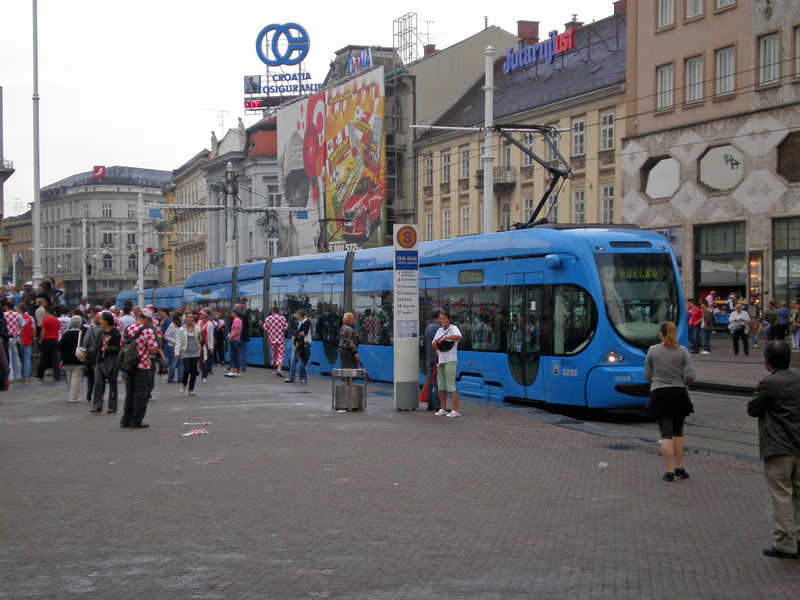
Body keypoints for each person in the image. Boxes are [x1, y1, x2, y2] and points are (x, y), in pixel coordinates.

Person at [746, 340, 800, 559]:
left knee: (780, 495)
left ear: (767, 361)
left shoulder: (770, 383)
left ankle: (786, 544)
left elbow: (753, 408)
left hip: (778, 447)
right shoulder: (798, 377)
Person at [644, 322, 696, 482]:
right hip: (679, 393)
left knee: (665, 434)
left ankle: (669, 471)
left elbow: (647, 375)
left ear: (661, 334)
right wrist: (683, 382)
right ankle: (680, 467)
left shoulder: (653, 350)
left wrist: (657, 381)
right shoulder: (683, 351)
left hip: (659, 393)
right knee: (678, 432)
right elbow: (690, 375)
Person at [120, 309, 159, 429]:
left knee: (129, 393)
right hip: (143, 365)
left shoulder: (128, 329)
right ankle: (136, 420)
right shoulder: (148, 331)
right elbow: (153, 350)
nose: (149, 322)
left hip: (129, 365)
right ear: (146, 318)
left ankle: (125, 419)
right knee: (141, 394)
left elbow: (123, 343)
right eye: (149, 319)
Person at [432, 310, 462, 417]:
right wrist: (436, 345)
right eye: (440, 318)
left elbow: (459, 337)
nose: (442, 320)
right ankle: (443, 408)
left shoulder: (453, 328)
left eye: (444, 318)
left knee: (451, 386)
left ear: (448, 319)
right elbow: (433, 343)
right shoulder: (439, 330)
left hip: (450, 360)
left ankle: (456, 410)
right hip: (441, 361)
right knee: (441, 386)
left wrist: (445, 338)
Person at [90, 313, 121, 414]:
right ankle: (97, 405)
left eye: (102, 319)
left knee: (112, 384)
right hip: (100, 361)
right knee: (98, 383)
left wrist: (108, 349)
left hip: (111, 360)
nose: (100, 321)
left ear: (107, 321)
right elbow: (96, 348)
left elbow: (118, 348)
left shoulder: (116, 333)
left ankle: (112, 406)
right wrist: (94, 361)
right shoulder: (100, 333)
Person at [175, 310, 202, 396]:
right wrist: (177, 352)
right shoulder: (181, 329)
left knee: (193, 371)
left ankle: (191, 389)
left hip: (195, 351)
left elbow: (200, 340)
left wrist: (199, 336)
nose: (190, 319)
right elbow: (178, 341)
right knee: (187, 369)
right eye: (188, 317)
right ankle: (184, 384)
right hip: (185, 351)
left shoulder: (197, 328)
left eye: (191, 317)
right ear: (185, 318)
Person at [59, 316, 84, 403]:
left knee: (69, 378)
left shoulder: (65, 334)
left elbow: (60, 346)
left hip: (66, 359)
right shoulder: (82, 334)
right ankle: (73, 397)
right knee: (76, 378)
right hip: (78, 359)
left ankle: (71, 394)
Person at [424, 308, 442, 412]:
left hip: (429, 357)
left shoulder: (428, 327)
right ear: (439, 316)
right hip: (437, 358)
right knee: (438, 381)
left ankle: (430, 404)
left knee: (431, 380)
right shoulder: (438, 328)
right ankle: (437, 404)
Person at [285, 310, 311, 384]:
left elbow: (305, 333)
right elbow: (293, 331)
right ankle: (291, 377)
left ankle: (303, 378)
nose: (297, 316)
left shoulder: (306, 322)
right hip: (297, 342)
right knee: (293, 360)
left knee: (302, 361)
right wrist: (298, 332)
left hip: (304, 343)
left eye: (297, 315)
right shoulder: (297, 322)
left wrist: (297, 332)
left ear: (300, 315)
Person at [81, 313, 102, 402]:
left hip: (90, 353)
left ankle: (89, 393)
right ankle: (99, 395)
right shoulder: (104, 330)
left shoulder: (91, 329)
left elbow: (85, 340)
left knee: (90, 375)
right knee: (100, 376)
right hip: (100, 353)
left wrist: (84, 351)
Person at [36, 305, 60, 381]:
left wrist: (41, 340)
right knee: (55, 359)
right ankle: (57, 375)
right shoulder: (57, 320)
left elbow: (43, 331)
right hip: (55, 340)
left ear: (47, 312)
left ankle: (40, 374)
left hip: (46, 340)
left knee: (44, 358)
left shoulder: (45, 320)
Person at [263, 306, 287, 377]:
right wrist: (280, 329)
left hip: (272, 340)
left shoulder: (268, 318)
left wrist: (271, 330)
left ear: (272, 311)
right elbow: (286, 328)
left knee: (274, 355)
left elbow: (265, 329)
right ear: (278, 311)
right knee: (280, 354)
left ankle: (276, 370)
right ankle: (279, 369)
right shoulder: (282, 318)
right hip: (280, 340)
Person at [4, 300, 23, 382]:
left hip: (6, 337)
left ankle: (10, 376)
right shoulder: (18, 315)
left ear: (6, 306)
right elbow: (22, 326)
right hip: (15, 337)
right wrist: (20, 337)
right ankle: (18, 375)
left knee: (8, 357)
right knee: (16, 356)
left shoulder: (4, 315)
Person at [16, 303, 34, 380]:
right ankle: (27, 374)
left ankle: (20, 374)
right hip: (28, 340)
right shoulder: (30, 318)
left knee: (19, 358)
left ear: (20, 309)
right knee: (27, 358)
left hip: (19, 340)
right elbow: (34, 329)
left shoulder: (17, 317)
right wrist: (30, 336)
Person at [198, 309, 215, 381]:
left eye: (201, 314)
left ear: (205, 315)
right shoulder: (199, 322)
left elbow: (210, 336)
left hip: (206, 344)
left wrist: (211, 347)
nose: (199, 315)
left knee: (206, 360)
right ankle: (202, 373)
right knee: (200, 360)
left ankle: (204, 376)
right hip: (199, 344)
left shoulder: (210, 324)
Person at [225, 309, 243, 377]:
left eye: (231, 312)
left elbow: (237, 331)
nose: (230, 314)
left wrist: (230, 337)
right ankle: (238, 371)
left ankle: (232, 371)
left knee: (232, 356)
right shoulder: (239, 320)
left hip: (235, 340)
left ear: (235, 313)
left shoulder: (236, 320)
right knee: (236, 356)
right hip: (236, 339)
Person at [163, 311, 179, 383]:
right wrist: (175, 341)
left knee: (180, 362)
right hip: (172, 346)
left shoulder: (183, 325)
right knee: (173, 361)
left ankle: (180, 378)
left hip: (180, 346)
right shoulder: (173, 325)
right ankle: (170, 378)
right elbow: (166, 335)